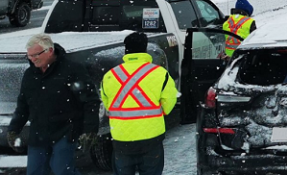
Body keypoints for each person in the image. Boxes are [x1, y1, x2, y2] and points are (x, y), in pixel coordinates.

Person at [9, 34, 98, 175]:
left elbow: (90, 101)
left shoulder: (72, 70)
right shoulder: (30, 75)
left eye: (36, 55)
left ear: (49, 51)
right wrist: (13, 129)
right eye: (29, 56)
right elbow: (23, 105)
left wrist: (90, 130)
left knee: (62, 169)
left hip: (66, 129)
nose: (32, 59)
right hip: (39, 131)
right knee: (35, 171)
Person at [100, 32, 178, 175]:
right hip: (151, 137)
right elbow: (170, 100)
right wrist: (158, 113)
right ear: (145, 48)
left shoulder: (110, 75)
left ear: (125, 50)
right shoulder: (160, 73)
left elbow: (107, 103)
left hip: (121, 138)